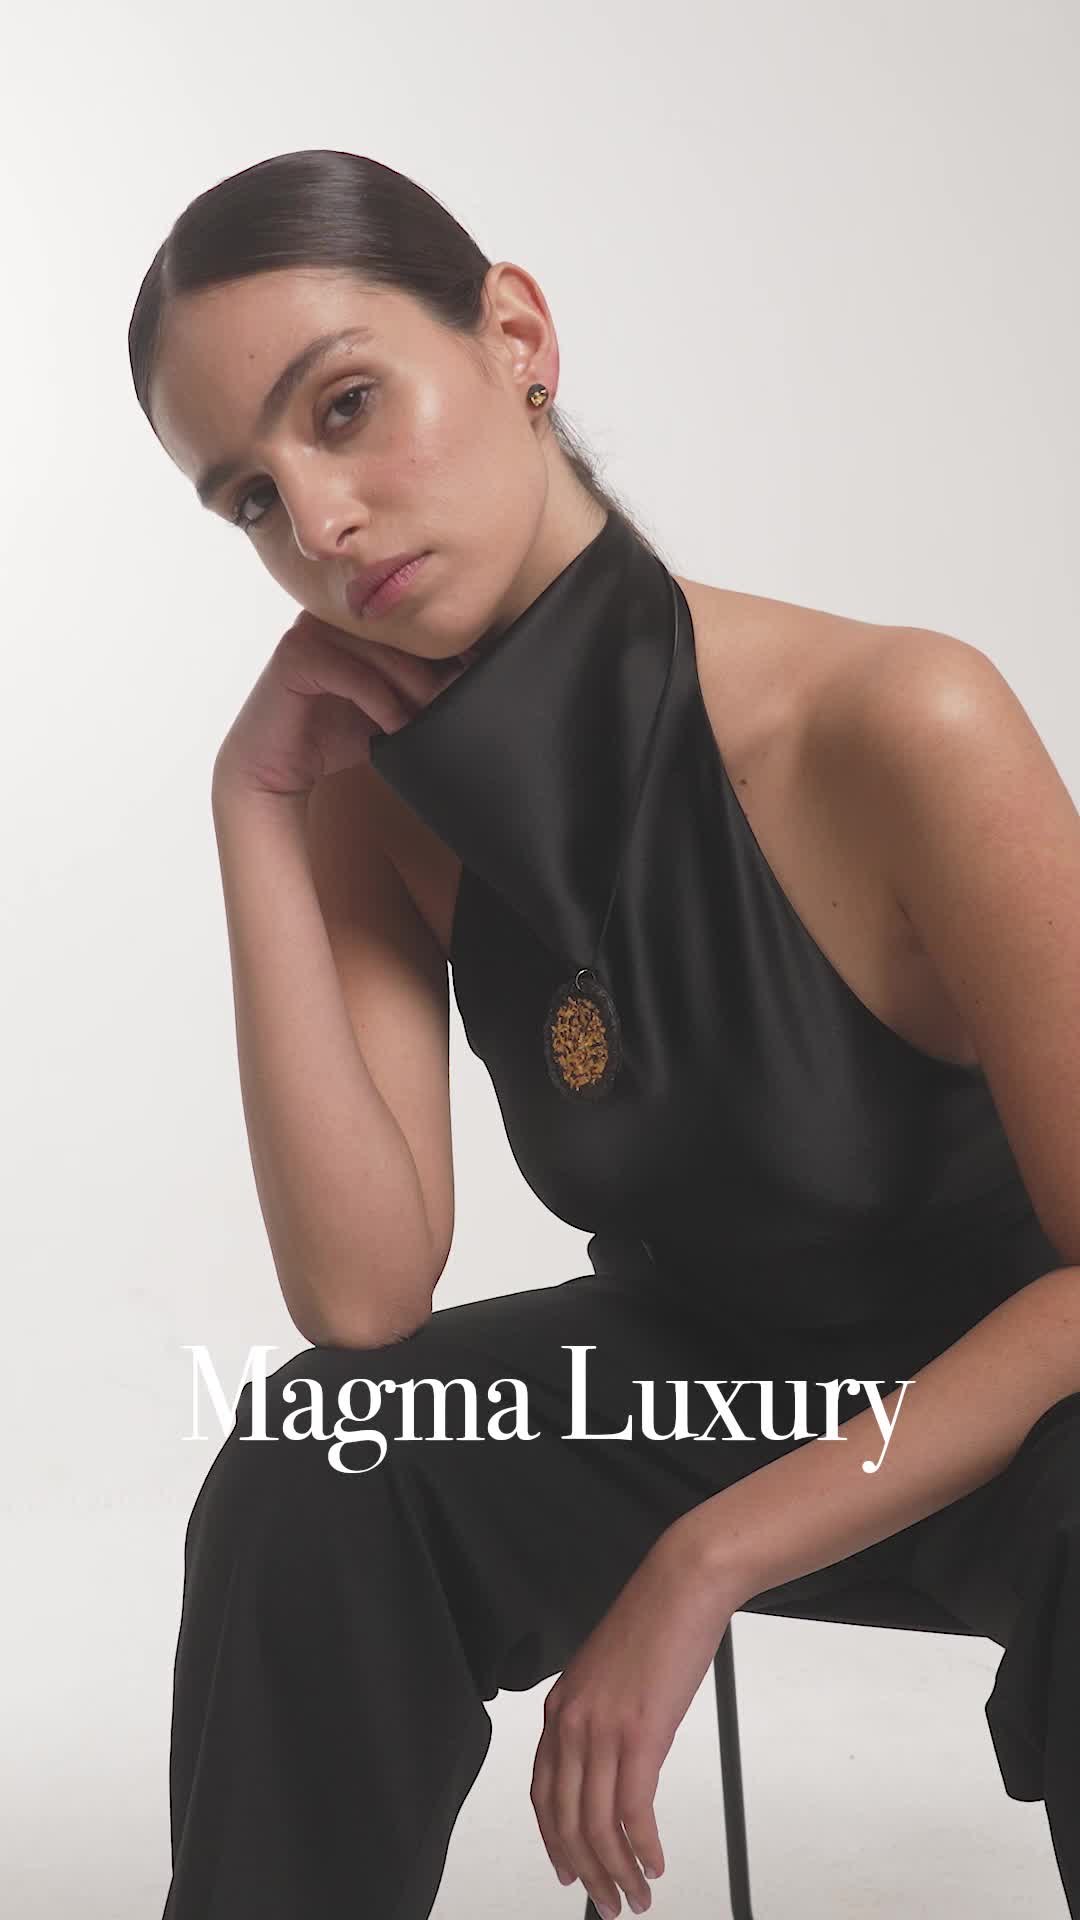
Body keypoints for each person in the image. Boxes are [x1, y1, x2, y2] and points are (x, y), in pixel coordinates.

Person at [130, 149, 1080, 1920]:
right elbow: (362, 1305)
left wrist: (706, 1559)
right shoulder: (375, 807)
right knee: (319, 1459)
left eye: (345, 407)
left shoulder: (898, 718)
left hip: (1023, 1416)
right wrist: (255, 808)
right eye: (250, 496)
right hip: (704, 1386)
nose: (318, 523)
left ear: (515, 335)